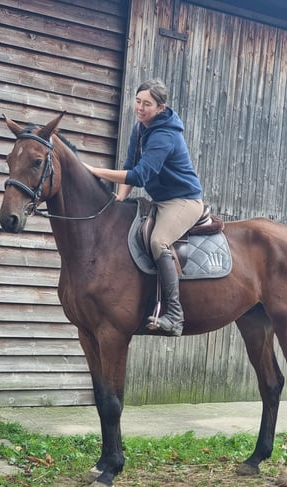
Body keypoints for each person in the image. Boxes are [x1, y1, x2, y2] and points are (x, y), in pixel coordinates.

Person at [83, 79, 204, 337]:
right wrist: (118, 200)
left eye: (147, 104)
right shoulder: (140, 128)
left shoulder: (165, 135)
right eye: (138, 101)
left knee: (159, 241)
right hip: (160, 201)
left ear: (161, 107)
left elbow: (140, 175)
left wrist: (94, 171)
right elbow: (130, 162)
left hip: (183, 200)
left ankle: (175, 314)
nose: (140, 107)